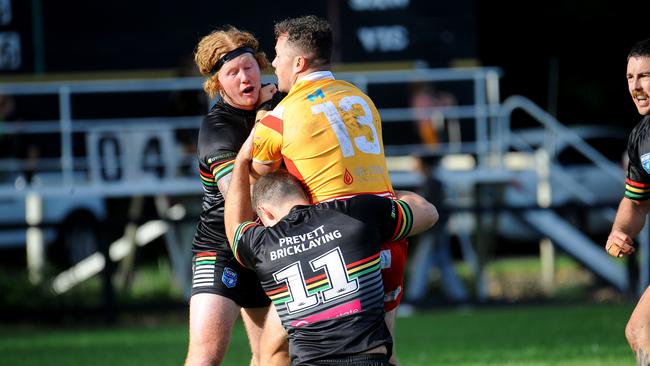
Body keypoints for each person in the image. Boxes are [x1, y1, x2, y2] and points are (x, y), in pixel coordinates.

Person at [250, 15, 407, 364]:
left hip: (334, 246)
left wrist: (260, 115)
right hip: (389, 235)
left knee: (273, 347)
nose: (273, 63)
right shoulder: (361, 99)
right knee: (380, 351)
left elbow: (257, 177)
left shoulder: (282, 115)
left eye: (277, 55)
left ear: (299, 62)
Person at [225, 134, 438, 365]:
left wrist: (241, 162)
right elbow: (427, 212)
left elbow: (233, 228)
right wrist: (377, 194)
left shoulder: (262, 245)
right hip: (367, 360)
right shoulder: (355, 214)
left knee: (270, 348)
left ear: (265, 213)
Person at [185, 26, 285, 365]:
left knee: (272, 357)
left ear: (260, 65)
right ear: (217, 83)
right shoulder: (217, 129)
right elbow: (243, 196)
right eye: (232, 72)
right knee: (206, 357)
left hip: (267, 247)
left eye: (249, 67)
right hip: (221, 249)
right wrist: (264, 117)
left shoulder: (281, 105)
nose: (244, 77)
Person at [604, 37, 650, 366]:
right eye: (629, 78)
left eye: (645, 76)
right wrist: (620, 230)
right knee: (639, 332)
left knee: (642, 329)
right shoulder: (641, 136)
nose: (635, 86)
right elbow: (635, 202)